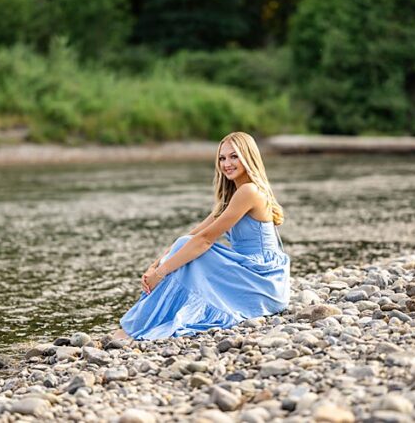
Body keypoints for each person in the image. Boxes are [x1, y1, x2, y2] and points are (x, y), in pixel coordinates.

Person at [113, 131, 291, 340]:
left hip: (262, 281)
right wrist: (155, 265)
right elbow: (194, 234)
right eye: (222, 158)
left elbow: (205, 240)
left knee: (190, 250)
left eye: (234, 156)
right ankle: (142, 324)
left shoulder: (249, 191)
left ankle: (137, 326)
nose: (227, 163)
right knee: (185, 245)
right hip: (250, 272)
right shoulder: (232, 196)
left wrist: (160, 273)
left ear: (248, 157)